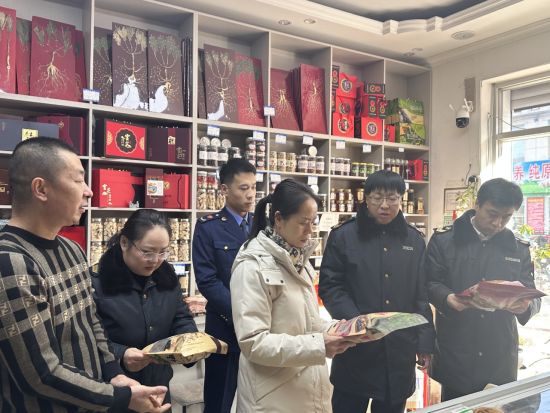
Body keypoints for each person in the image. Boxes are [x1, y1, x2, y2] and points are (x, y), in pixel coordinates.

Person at [0, 138, 170, 412]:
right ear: (41, 189)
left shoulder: (72, 249)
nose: (89, 191)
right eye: (78, 180)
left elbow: (90, 322)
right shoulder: (11, 262)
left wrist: (114, 373)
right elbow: (41, 374)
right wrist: (121, 398)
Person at [230, 179, 356, 413]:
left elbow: (307, 323)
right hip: (272, 399)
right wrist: (319, 345)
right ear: (278, 219)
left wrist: (339, 329)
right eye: (303, 223)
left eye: (313, 222)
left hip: (306, 391)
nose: (310, 231)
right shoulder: (252, 266)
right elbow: (253, 343)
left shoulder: (298, 259)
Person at [319, 170, 435, 413]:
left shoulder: (414, 240)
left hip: (398, 348)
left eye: (392, 198)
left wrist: (425, 342)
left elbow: (421, 294)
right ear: (366, 198)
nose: (385, 205)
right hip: (355, 346)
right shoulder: (344, 236)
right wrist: (359, 323)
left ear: (401, 199)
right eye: (377, 197)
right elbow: (331, 286)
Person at [425, 178, 541, 401]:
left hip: (499, 350)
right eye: (492, 214)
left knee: (495, 408)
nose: (498, 223)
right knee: (457, 407)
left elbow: (532, 294)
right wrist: (448, 298)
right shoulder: (444, 241)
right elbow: (429, 283)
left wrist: (525, 306)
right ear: (477, 204)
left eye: (506, 217)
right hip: (457, 347)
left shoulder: (518, 248)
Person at [92, 208, 198, 410]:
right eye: (147, 252)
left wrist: (190, 342)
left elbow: (180, 316)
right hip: (116, 392)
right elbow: (88, 337)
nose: (156, 260)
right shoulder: (99, 282)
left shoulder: (166, 275)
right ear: (125, 243)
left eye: (163, 252)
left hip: (158, 387)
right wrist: (121, 354)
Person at [192, 157, 256, 413]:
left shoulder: (261, 226)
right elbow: (207, 280)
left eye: (253, 187)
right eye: (243, 188)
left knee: (259, 400)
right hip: (224, 328)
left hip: (260, 328)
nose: (250, 194)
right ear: (224, 189)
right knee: (218, 401)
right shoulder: (208, 227)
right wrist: (242, 311)